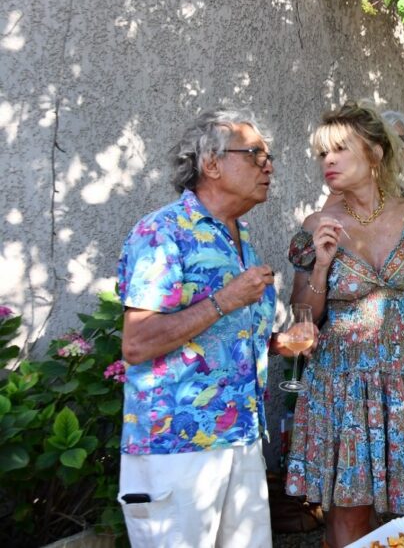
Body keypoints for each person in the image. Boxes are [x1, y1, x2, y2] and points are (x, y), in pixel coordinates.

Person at [283, 102, 404, 547]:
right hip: (342, 383)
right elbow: (304, 315)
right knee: (348, 510)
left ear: (376, 153)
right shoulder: (318, 225)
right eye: (323, 153)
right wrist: (321, 265)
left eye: (340, 149)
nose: (329, 161)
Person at [116, 110, 277, 547]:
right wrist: (226, 299)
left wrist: (278, 343)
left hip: (241, 439)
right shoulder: (162, 232)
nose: (268, 166)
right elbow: (137, 342)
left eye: (268, 156)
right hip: (176, 447)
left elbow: (223, 337)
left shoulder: (239, 235)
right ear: (211, 163)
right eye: (255, 154)